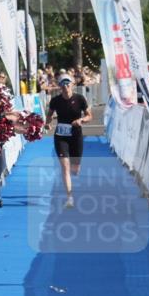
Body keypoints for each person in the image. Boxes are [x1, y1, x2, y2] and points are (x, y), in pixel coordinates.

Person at [46, 74, 91, 209]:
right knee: (65, 166)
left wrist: (81, 120)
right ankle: (69, 197)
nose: (65, 86)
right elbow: (49, 115)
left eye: (68, 83)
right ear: (59, 86)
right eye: (62, 84)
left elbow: (89, 116)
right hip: (61, 136)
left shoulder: (80, 99)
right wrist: (47, 123)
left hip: (76, 136)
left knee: (75, 169)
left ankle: (74, 173)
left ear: (72, 85)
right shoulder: (55, 101)